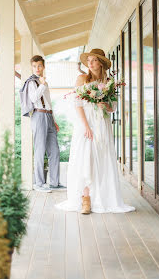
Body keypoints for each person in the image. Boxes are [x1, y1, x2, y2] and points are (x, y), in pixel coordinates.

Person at [55, 49, 136, 214]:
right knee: (86, 157)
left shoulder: (109, 82)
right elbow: (77, 104)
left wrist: (104, 105)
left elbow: (113, 107)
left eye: (94, 60)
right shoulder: (82, 79)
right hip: (86, 124)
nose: (90, 63)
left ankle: (102, 197)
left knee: (102, 157)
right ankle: (86, 199)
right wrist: (86, 126)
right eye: (89, 60)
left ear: (101, 63)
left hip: (102, 123)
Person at [20, 55, 66, 193]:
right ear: (32, 67)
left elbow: (48, 101)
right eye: (34, 66)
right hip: (38, 115)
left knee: (55, 151)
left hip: (49, 116)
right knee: (40, 150)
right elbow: (34, 98)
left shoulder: (43, 82)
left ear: (43, 66)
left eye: (39, 66)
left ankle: (54, 182)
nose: (37, 68)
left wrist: (54, 119)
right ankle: (39, 183)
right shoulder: (32, 82)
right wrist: (43, 84)